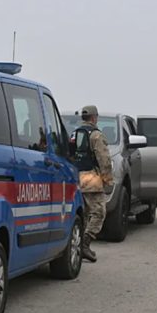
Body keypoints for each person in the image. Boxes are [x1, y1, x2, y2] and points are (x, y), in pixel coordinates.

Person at [70, 105, 113, 262]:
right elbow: (104, 159)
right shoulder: (96, 135)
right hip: (92, 178)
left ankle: (78, 244)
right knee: (98, 212)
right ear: (95, 117)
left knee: (84, 214)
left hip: (76, 178)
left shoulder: (74, 134)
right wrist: (108, 179)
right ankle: (85, 244)